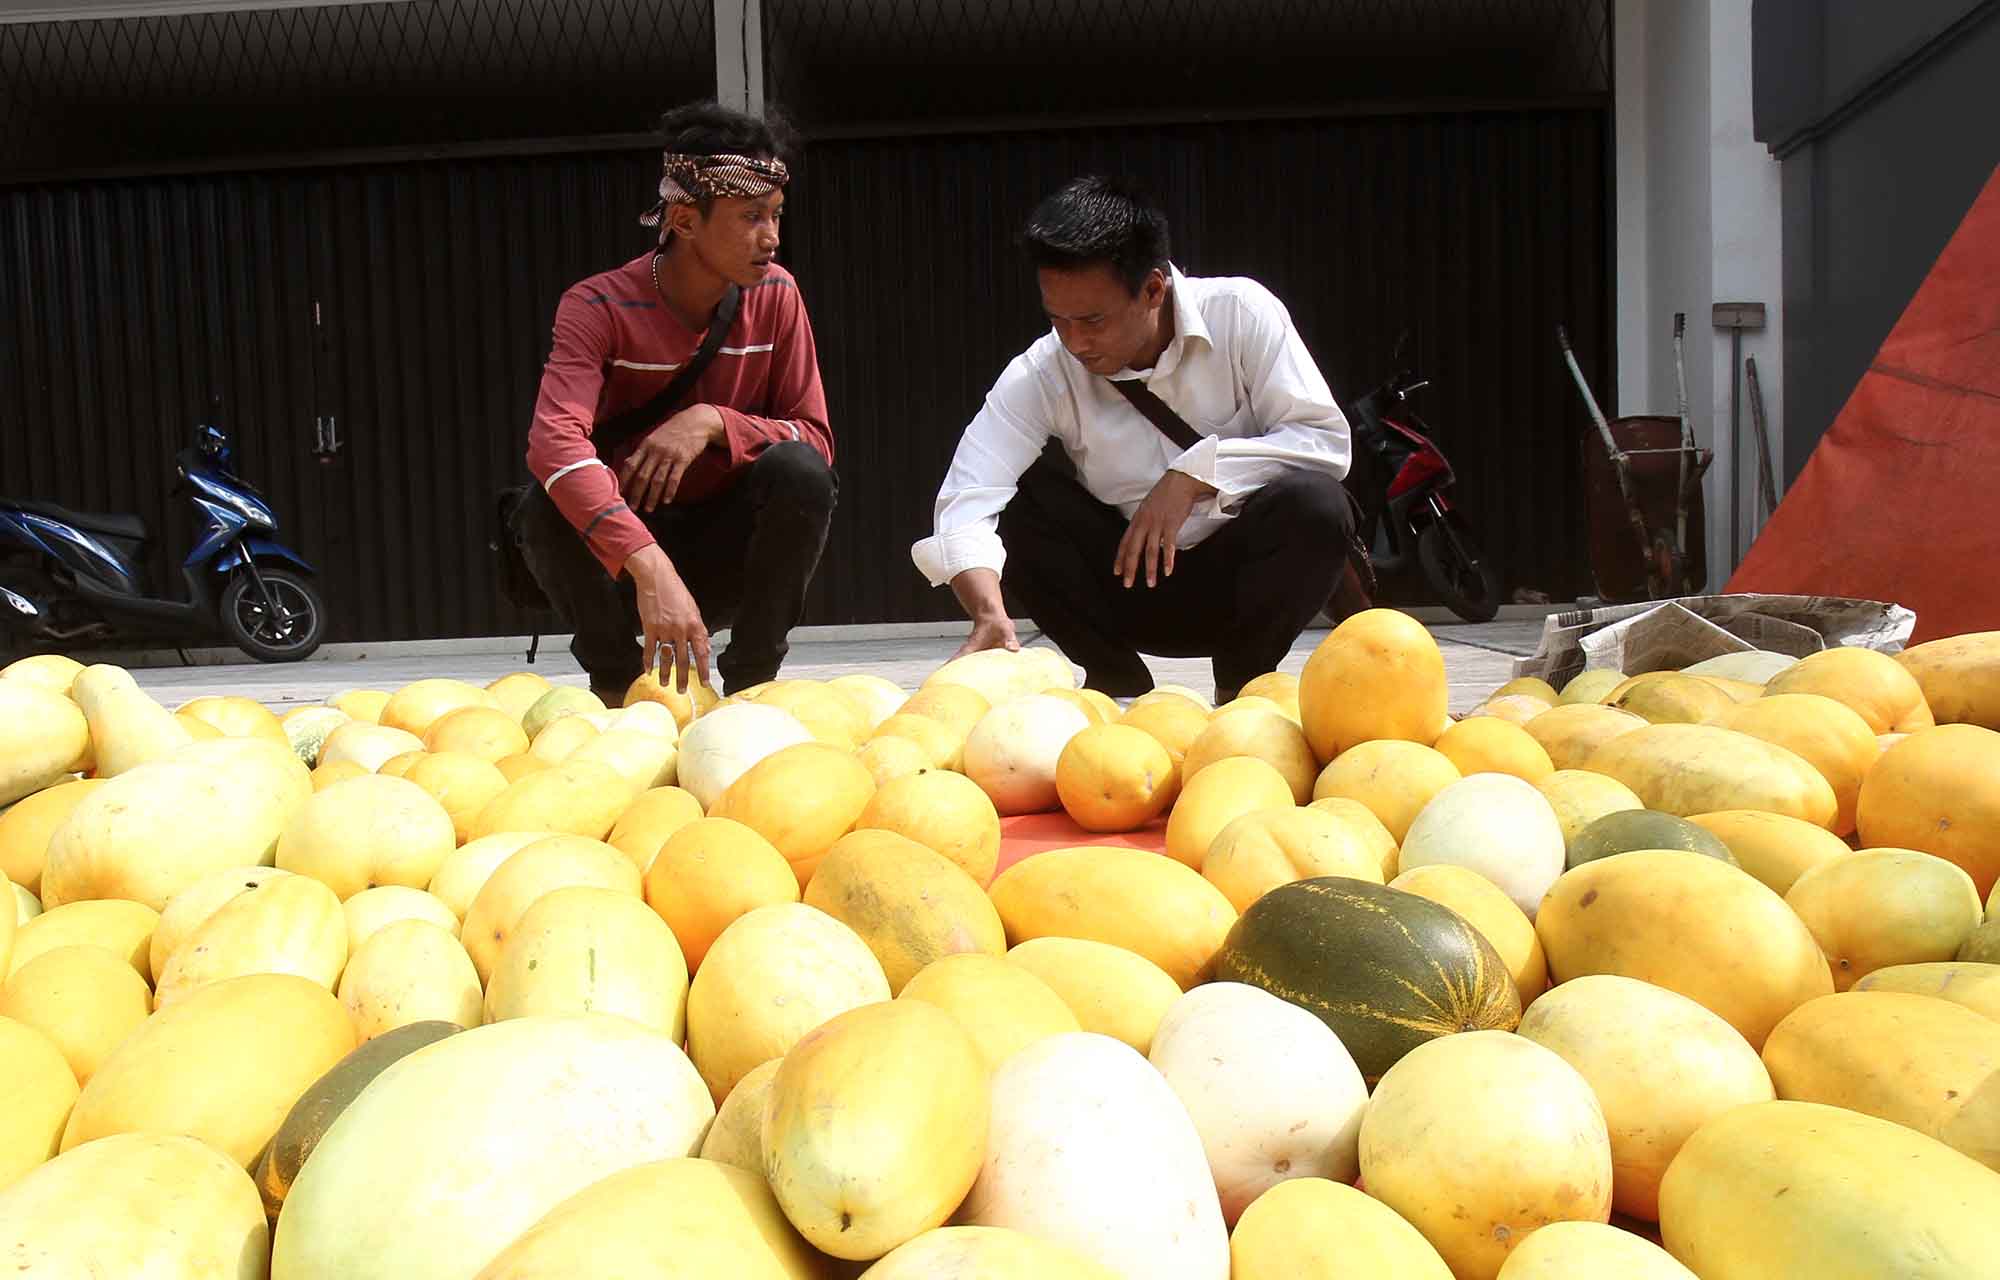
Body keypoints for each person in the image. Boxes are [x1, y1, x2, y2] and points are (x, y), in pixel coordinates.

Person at [911, 175, 1360, 703]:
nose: (1075, 342)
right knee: (1021, 500)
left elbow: (1325, 442)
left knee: (1317, 504)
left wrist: (1195, 475)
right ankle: (1115, 684)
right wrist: (987, 611)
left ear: (1153, 289)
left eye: (1093, 320)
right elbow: (968, 493)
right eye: (1058, 319)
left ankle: (1241, 688)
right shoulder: (1043, 371)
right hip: (1128, 587)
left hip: (1244, 585)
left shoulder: (1242, 313)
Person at [518, 101, 836, 704]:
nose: (771, 238)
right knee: (544, 503)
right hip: (623, 557)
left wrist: (713, 421)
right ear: (686, 221)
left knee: (802, 473)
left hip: (723, 543)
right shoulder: (596, 307)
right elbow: (552, 443)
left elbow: (814, 437)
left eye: (775, 215)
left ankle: (751, 687)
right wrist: (647, 564)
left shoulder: (777, 296)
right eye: (750, 217)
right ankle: (615, 687)